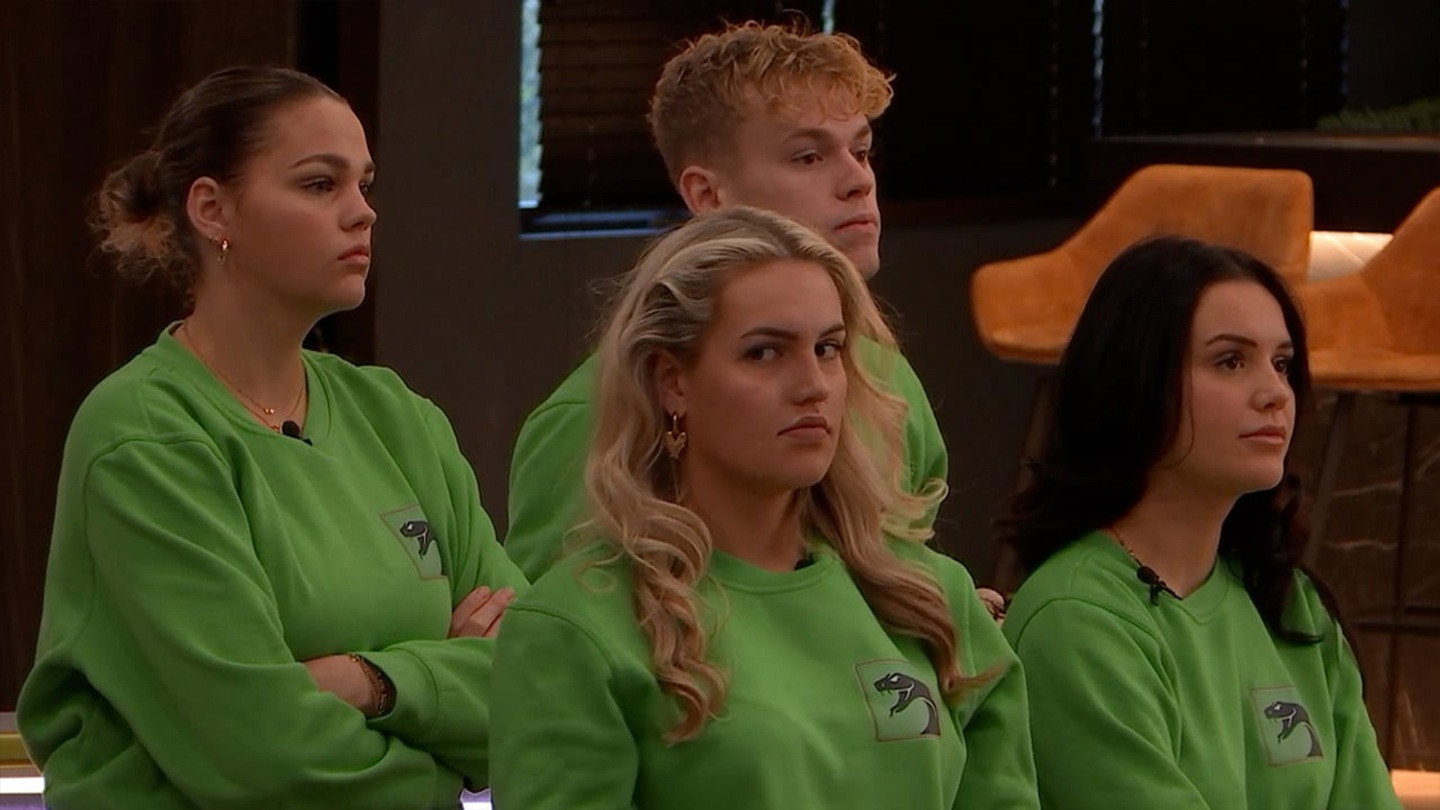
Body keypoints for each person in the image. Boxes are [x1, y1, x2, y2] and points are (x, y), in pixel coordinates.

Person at [18, 66, 525, 809]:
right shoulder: (145, 435)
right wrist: (442, 745)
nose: (362, 213)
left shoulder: (395, 416)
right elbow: (263, 757)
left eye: (365, 184)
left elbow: (540, 681)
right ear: (212, 209)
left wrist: (368, 681)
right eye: (320, 184)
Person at [491, 207, 1037, 809]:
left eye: (828, 348)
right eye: (764, 353)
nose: (813, 385)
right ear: (672, 381)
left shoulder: (930, 597)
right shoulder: (580, 626)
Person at [504, 21, 949, 581]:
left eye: (861, 151)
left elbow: (909, 576)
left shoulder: (886, 374)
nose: (858, 180)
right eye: (808, 157)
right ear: (708, 195)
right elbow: (550, 621)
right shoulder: (598, 413)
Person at [998, 236, 1399, 808]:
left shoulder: (1290, 602)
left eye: (1282, 364)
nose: (1275, 394)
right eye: (1230, 361)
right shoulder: (1076, 618)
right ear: (1137, 382)